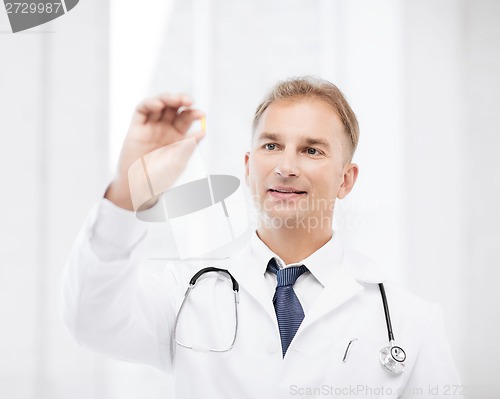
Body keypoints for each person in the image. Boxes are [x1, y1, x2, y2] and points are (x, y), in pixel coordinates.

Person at [61, 77, 461, 398]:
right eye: (272, 145)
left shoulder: (411, 323)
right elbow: (90, 320)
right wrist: (132, 186)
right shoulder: (184, 289)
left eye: (312, 150)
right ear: (249, 166)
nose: (286, 166)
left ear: (346, 179)